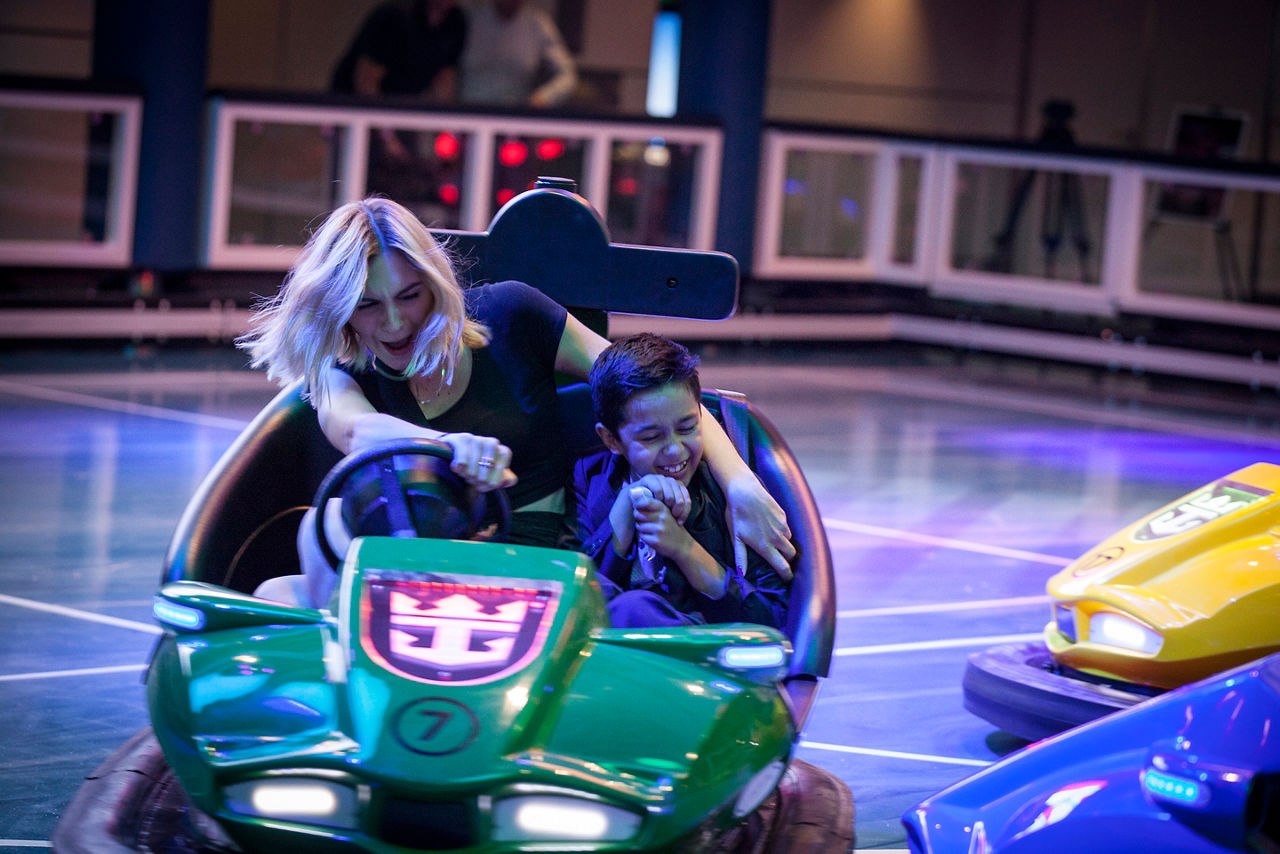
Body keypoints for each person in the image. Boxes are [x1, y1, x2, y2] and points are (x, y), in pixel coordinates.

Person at [237, 198, 793, 604]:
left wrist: (741, 484)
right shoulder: (340, 366)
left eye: (409, 295)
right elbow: (357, 431)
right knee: (287, 575)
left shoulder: (510, 314)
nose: (395, 322)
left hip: (542, 560)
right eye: (367, 305)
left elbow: (651, 390)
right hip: (423, 561)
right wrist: (449, 448)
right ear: (339, 309)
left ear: (436, 284)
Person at [569, 333, 791, 629]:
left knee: (634, 610)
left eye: (687, 428)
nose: (675, 450)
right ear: (611, 439)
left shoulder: (729, 493)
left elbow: (774, 622)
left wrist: (685, 549)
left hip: (704, 652)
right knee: (629, 609)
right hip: (611, 653)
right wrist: (626, 508)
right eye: (652, 437)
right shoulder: (589, 479)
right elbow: (573, 601)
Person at [331, 0, 467, 218]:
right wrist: (387, 137)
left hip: (404, 111)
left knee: (404, 185)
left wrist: (447, 136)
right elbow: (366, 80)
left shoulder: (456, 21)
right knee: (358, 193)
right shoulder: (394, 15)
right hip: (357, 115)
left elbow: (445, 80)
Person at [458, 0, 577, 108]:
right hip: (468, 115)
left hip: (516, 116)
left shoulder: (537, 24)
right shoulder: (469, 18)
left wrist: (543, 98)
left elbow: (567, 76)